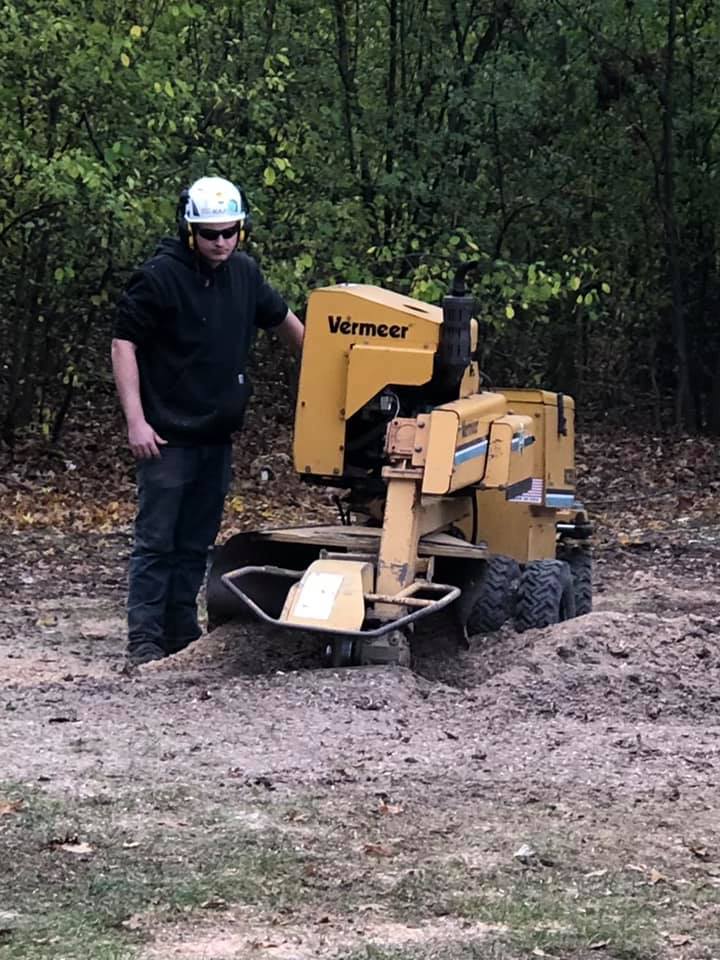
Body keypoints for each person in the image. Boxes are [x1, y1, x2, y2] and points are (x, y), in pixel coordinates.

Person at [111, 175, 304, 665]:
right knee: (157, 541)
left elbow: (287, 325)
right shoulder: (158, 277)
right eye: (209, 233)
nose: (220, 242)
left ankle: (181, 632)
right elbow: (123, 343)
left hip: (216, 433)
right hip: (166, 435)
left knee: (196, 543)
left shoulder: (245, 273)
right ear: (189, 230)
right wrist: (136, 420)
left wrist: (338, 369)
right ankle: (145, 640)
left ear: (241, 229)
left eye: (229, 231)